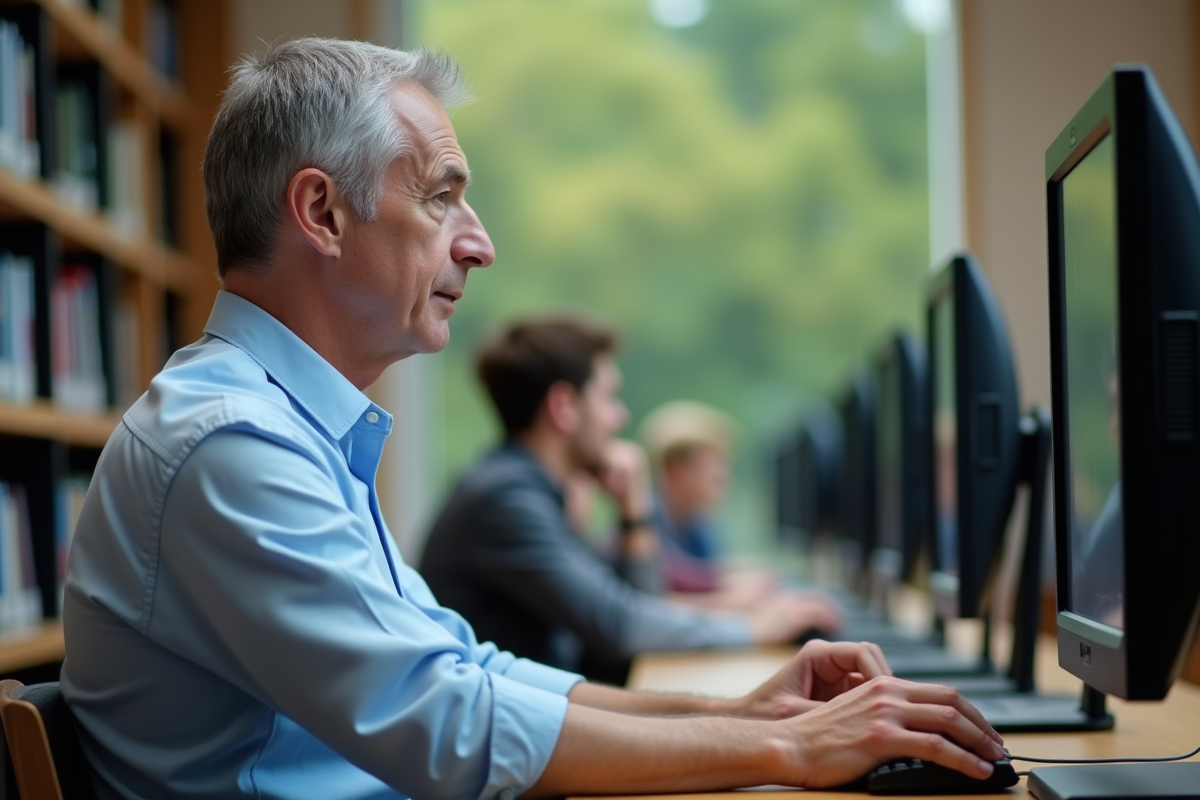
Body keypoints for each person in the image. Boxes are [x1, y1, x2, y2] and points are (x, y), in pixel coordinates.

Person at [61, 37, 1007, 800]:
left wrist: (750, 721)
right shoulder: (230, 441)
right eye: (440, 198)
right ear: (322, 212)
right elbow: (446, 728)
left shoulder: (292, 432)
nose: (480, 243)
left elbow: (465, 670)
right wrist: (789, 755)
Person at [421, 317, 840, 682]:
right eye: (608, 398)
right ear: (564, 407)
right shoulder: (506, 500)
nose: (619, 418)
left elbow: (635, 605)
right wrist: (755, 628)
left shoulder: (527, 492)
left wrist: (633, 513)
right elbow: (621, 627)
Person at [639, 399, 781, 608]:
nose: (727, 483)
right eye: (716, 476)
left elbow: (702, 571)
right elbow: (654, 596)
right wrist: (731, 597)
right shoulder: (639, 525)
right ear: (675, 472)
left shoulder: (694, 523)